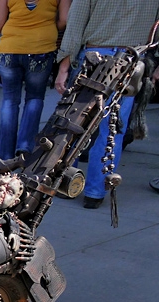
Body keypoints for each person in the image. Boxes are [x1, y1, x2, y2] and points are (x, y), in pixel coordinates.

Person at [54, 0, 159, 209]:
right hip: (131, 59)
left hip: (95, 57)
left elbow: (74, 24)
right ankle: (95, 192)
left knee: (76, 122)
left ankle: (66, 183)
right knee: (112, 129)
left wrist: (63, 66)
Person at [0, 0, 70, 161]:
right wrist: (49, 26)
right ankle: (24, 146)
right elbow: (64, 20)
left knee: (9, 101)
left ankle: (5, 155)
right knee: (35, 98)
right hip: (41, 48)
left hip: (10, 48)